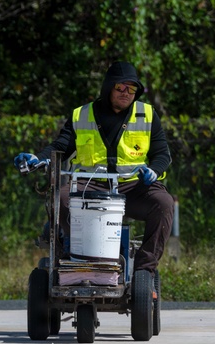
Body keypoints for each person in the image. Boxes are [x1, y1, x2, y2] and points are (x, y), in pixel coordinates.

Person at [14, 61, 173, 276]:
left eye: (132, 89)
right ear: (109, 87)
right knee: (58, 199)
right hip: (89, 187)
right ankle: (70, 257)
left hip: (133, 188)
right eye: (121, 88)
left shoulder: (148, 114)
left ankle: (145, 269)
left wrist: (154, 170)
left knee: (163, 203)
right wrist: (38, 158)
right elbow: (60, 146)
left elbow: (163, 154)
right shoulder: (81, 114)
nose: (126, 93)